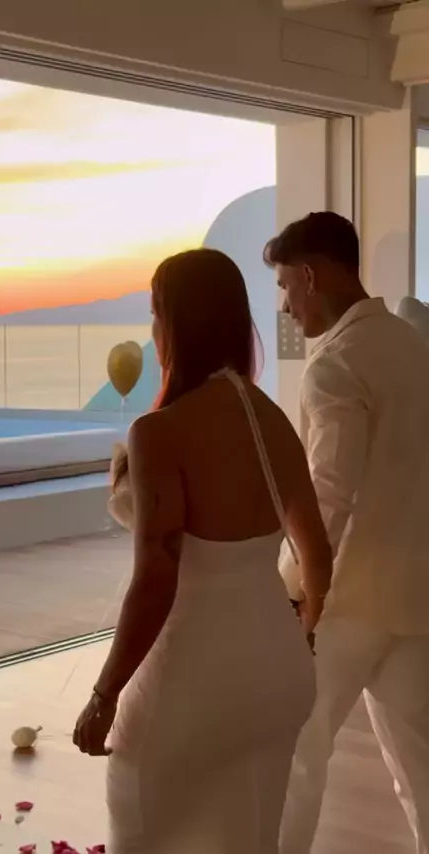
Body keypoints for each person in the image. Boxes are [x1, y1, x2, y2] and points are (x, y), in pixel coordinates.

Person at [73, 248, 332, 854]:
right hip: (280, 674)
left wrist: (104, 695)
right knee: (249, 839)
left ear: (177, 322)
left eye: (155, 313)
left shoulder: (158, 432)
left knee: (144, 833)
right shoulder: (272, 420)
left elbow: (156, 578)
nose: (152, 331)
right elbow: (317, 555)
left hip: (193, 680)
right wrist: (302, 632)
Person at [264, 212, 429, 854]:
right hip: (415, 597)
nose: (285, 304)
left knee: (297, 756)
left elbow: (328, 493)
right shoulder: (416, 347)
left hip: (346, 601)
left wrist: (300, 591)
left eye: (286, 285)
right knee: (419, 763)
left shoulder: (334, 365)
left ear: (311, 276)